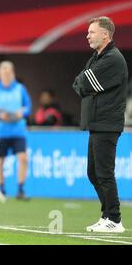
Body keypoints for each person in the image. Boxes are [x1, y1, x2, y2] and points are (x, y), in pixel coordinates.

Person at [73, 16, 128, 233]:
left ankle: (114, 219)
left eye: (91, 32)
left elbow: (84, 82)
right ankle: (107, 215)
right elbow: (78, 83)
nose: (87, 35)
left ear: (105, 34)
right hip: (97, 123)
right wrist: (87, 86)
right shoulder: (97, 58)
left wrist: (87, 86)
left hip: (106, 123)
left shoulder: (113, 59)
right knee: (93, 173)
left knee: (104, 173)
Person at [0, 61, 32, 201]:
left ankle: (21, 189)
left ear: (13, 72)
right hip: (0, 131)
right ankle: (1, 189)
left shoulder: (20, 89)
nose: (6, 75)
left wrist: (20, 113)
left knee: (23, 159)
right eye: (3, 72)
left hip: (18, 131)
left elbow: (27, 107)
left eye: (8, 72)